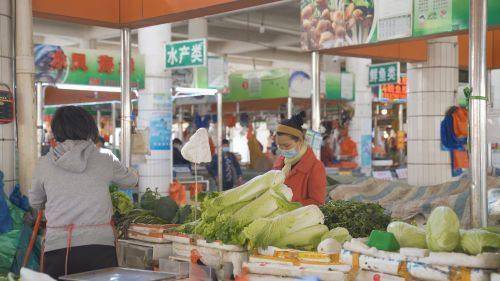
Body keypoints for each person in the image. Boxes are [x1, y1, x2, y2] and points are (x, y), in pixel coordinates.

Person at [29, 106, 138, 279]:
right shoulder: (105, 158)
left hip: (58, 248)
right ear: (89, 127)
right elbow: (132, 181)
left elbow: (35, 202)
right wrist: (132, 171)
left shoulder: (45, 163)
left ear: (57, 130)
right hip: (100, 246)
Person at [273, 112, 326, 206]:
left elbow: (318, 203)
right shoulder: (279, 163)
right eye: (279, 146)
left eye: (286, 145)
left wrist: (286, 206)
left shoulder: (315, 167)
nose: (283, 150)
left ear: (300, 141)